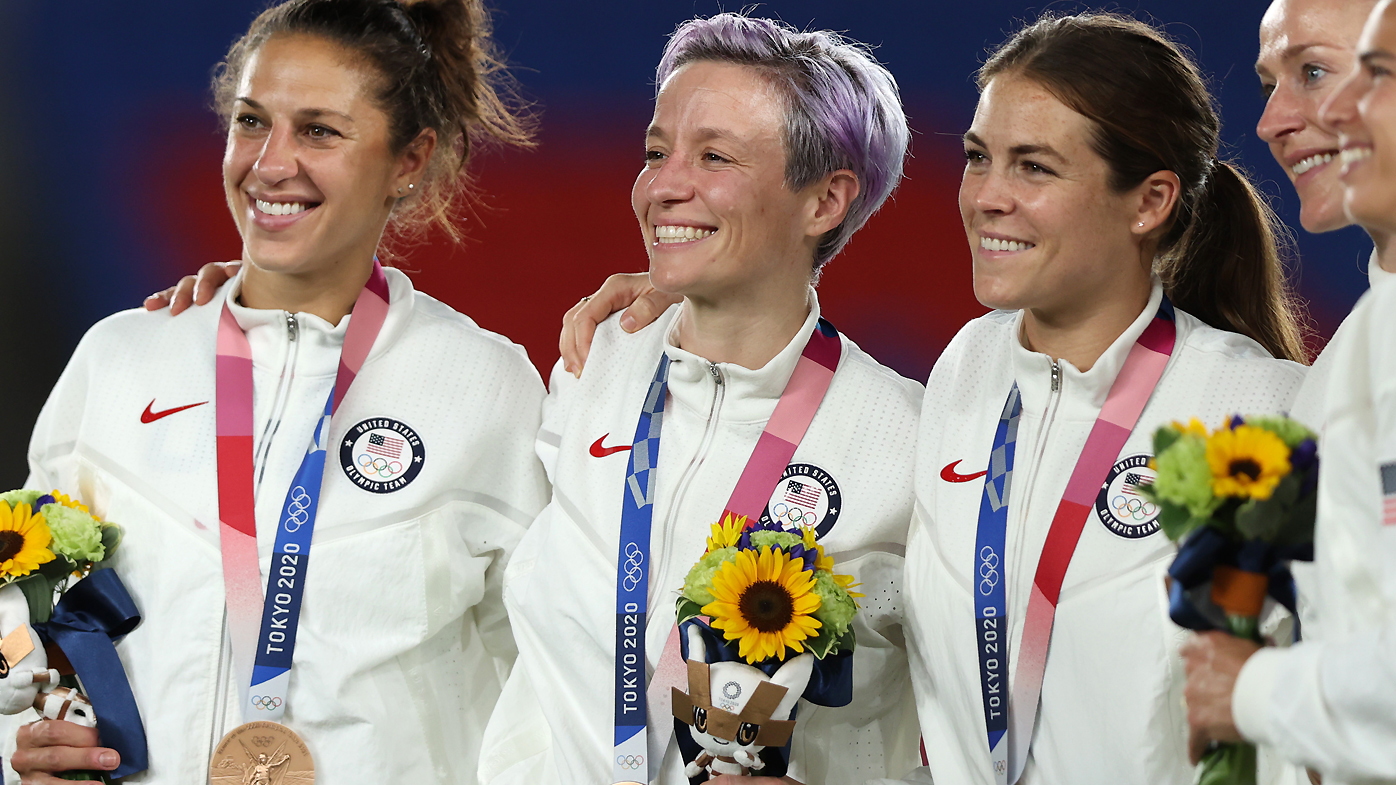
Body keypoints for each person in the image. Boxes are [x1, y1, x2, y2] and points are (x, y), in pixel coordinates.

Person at [557, 12, 1312, 785]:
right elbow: (952, 727)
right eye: (980, 159)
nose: (988, 196)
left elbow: (1354, 707)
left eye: (1034, 168)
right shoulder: (967, 373)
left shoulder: (1263, 410)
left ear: (1150, 202)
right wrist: (703, 281)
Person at [8, 0, 548, 782]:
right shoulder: (120, 361)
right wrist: (26, 738)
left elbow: (550, 690)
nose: (269, 163)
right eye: (252, 121)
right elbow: (29, 616)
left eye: (319, 131)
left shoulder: (484, 389)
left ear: (408, 158)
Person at [476, 13, 922, 785]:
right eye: (656, 152)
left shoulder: (907, 441)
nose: (663, 185)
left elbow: (986, 741)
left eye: (713, 156)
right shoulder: (594, 364)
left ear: (824, 201)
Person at [1181, 1, 1396, 782]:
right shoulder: (1340, 367)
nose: (1272, 120)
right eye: (1275, 82)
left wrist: (1254, 691)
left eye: (1314, 71)